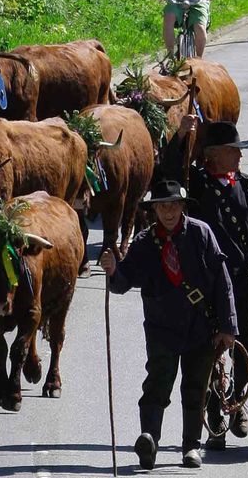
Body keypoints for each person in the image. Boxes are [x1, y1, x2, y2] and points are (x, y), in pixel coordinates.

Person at [99, 179, 237, 471]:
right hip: (161, 329)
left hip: (201, 327)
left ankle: (191, 447)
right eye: (163, 206)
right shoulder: (144, 243)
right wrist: (113, 270)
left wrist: (228, 326)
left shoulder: (201, 234)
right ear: (154, 210)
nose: (169, 211)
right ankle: (149, 439)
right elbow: (124, 281)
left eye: (174, 205)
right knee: (157, 384)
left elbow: (222, 282)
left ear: (183, 207)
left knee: (196, 388)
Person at [162, 119, 248, 453]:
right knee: (211, 354)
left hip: (244, 284)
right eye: (233, 151)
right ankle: (215, 417)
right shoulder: (195, 186)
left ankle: (238, 402)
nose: (239, 157)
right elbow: (168, 177)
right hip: (206, 287)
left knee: (247, 351)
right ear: (213, 155)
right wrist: (181, 137)